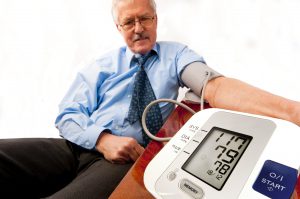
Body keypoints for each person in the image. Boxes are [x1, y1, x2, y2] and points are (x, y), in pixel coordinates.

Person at [0, 0, 299, 198]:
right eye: (129, 22)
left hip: (125, 161)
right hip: (73, 147)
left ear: (156, 19)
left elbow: (215, 87)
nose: (139, 28)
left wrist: (292, 112)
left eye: (145, 18)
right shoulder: (101, 66)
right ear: (119, 28)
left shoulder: (177, 56)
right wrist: (102, 139)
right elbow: (67, 115)